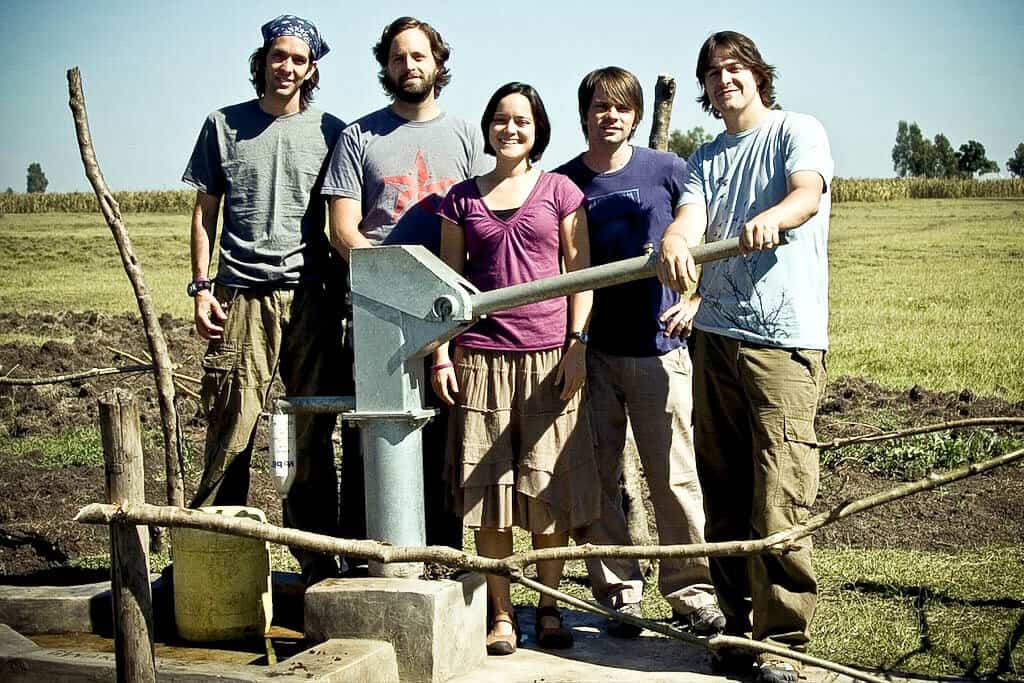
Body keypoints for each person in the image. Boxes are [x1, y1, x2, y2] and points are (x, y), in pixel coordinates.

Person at [656, 31, 833, 683]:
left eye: (735, 67)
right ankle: (736, 631)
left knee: (781, 492)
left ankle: (783, 639)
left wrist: (774, 217)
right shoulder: (706, 155)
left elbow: (806, 191)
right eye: (712, 72)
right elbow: (691, 216)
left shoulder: (795, 130)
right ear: (703, 88)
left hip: (781, 341)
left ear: (759, 74)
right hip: (717, 336)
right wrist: (676, 239)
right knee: (724, 490)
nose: (724, 79)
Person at [554, 66, 725, 638]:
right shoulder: (563, 183)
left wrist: (698, 298)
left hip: (660, 349)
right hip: (593, 352)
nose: (611, 116)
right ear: (584, 115)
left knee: (673, 476)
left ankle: (692, 592)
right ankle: (618, 590)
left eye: (622, 107)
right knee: (604, 478)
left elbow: (708, 234)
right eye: (600, 106)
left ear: (636, 115)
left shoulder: (668, 170)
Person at [431, 82, 600, 656]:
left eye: (522, 121)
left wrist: (578, 344)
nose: (510, 129)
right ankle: (502, 616)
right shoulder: (461, 199)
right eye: (501, 119)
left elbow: (582, 273)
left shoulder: (561, 192)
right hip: (481, 359)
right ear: (487, 128)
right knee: (490, 492)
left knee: (547, 489)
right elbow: (448, 287)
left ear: (538, 130)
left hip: (552, 358)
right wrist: (440, 353)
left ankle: (549, 608)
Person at [183, 15, 346, 586]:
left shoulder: (333, 130)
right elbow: (205, 212)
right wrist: (202, 286)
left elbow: (343, 218)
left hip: (311, 298)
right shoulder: (223, 125)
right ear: (263, 60)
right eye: (279, 56)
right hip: (241, 296)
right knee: (233, 423)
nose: (287, 68)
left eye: (298, 60)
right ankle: (216, 560)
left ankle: (316, 557)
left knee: (311, 429)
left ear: (312, 69)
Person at [323, 16, 489, 549]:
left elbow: (484, 217)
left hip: (446, 311)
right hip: (375, 312)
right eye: (398, 58)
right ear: (385, 67)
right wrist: (392, 281)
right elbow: (342, 229)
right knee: (372, 434)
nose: (409, 66)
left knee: (445, 435)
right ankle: (365, 551)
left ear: (439, 64)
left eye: (419, 56)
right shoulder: (358, 137)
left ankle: (441, 553)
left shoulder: (467, 137)